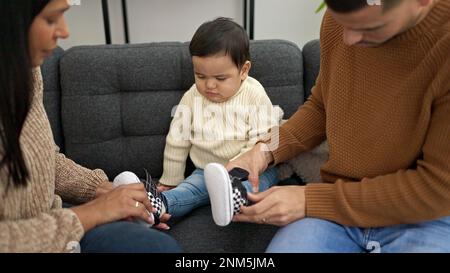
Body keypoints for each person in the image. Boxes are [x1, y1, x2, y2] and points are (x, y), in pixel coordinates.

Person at [228, 0, 450, 252]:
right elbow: (322, 107)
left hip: (427, 218)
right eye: (343, 23)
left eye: (370, 27)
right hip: (336, 210)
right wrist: (266, 150)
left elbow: (438, 187)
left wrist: (307, 200)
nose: (349, 38)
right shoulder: (341, 23)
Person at [0, 0, 181, 253]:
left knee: (155, 247)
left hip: (60, 230)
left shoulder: (26, 70)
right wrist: (92, 213)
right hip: (45, 235)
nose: (65, 32)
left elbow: (45, 160)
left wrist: (103, 191)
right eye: (52, 19)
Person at [117, 17, 280, 227]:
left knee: (258, 184)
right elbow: (177, 139)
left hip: (251, 170)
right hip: (206, 170)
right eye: (200, 76)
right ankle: (154, 206)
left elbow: (269, 137)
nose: (209, 85)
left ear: (244, 71)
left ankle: (235, 198)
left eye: (220, 78)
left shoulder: (255, 94)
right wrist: (170, 179)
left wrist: (239, 171)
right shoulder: (192, 97)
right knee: (188, 191)